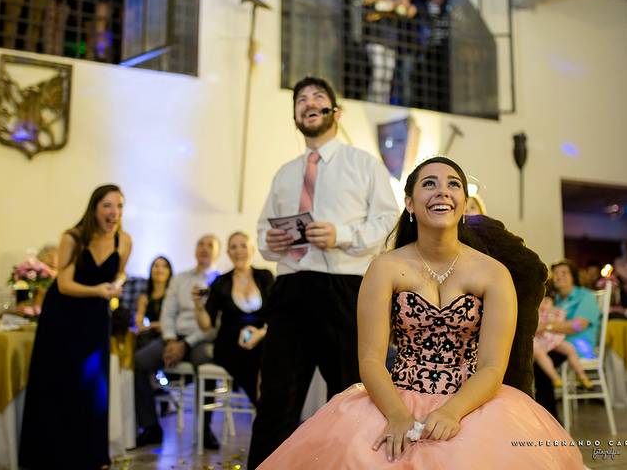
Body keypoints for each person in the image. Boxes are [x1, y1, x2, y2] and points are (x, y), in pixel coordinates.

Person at [256, 156, 582, 468]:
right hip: (395, 396)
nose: (442, 190)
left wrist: (452, 412)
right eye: (429, 184)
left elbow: (492, 366)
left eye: (453, 184)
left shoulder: (493, 273)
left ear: (463, 202)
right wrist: (397, 415)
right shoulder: (385, 267)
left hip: (473, 402)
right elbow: (370, 359)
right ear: (410, 204)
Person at [249, 76, 399, 467]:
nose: (308, 102)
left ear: (336, 111)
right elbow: (263, 230)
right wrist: (271, 242)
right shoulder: (284, 173)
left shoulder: (363, 164)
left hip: (345, 288)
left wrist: (342, 233)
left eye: (318, 97)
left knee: (352, 392)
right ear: (296, 115)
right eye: (300, 99)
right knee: (277, 398)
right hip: (291, 287)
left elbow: (388, 220)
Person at [19, 184, 132, 469]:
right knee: (60, 382)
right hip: (63, 316)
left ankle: (93, 455)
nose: (114, 212)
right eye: (108, 205)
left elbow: (120, 274)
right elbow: (64, 284)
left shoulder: (125, 241)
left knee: (94, 385)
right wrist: (100, 291)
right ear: (94, 208)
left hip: (95, 317)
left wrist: (116, 286)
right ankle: (52, 454)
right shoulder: (73, 237)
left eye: (119, 206)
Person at [134, 235, 221, 448]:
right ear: (194, 250)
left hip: (201, 340)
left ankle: (205, 429)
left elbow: (215, 326)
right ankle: (151, 425)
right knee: (137, 362)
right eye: (200, 244)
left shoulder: (221, 282)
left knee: (206, 364)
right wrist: (171, 339)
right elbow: (168, 312)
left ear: (218, 252)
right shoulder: (180, 279)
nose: (204, 249)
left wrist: (187, 344)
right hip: (174, 337)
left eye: (210, 245)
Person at [193, 231, 274, 404]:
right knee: (251, 355)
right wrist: (198, 305)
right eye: (233, 247)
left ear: (252, 250)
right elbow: (206, 325)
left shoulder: (265, 277)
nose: (238, 251)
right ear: (228, 253)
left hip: (263, 337)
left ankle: (266, 405)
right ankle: (262, 404)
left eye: (243, 246)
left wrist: (261, 333)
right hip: (230, 342)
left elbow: (277, 313)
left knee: (268, 351)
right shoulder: (220, 282)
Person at [533, 259, 601, 419]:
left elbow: (578, 326)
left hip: (577, 346)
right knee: (534, 358)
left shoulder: (585, 296)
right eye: (556, 273)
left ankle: (551, 421)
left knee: (541, 368)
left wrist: (547, 326)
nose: (559, 276)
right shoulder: (554, 300)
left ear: (573, 277)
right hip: (555, 343)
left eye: (564, 273)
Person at [533, 296, 593, 390]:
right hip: (541, 342)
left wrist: (550, 322)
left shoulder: (556, 311)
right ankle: (555, 378)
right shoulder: (536, 314)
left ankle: (581, 375)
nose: (543, 305)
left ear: (552, 302)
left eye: (546, 301)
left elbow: (572, 325)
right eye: (540, 302)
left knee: (570, 349)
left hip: (555, 339)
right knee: (540, 355)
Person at [134, 256, 173, 349]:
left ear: (170, 272)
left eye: (164, 266)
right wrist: (153, 326)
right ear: (150, 270)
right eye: (156, 266)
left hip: (169, 334)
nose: (160, 270)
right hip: (149, 336)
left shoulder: (173, 296)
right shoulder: (144, 298)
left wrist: (152, 325)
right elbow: (138, 324)